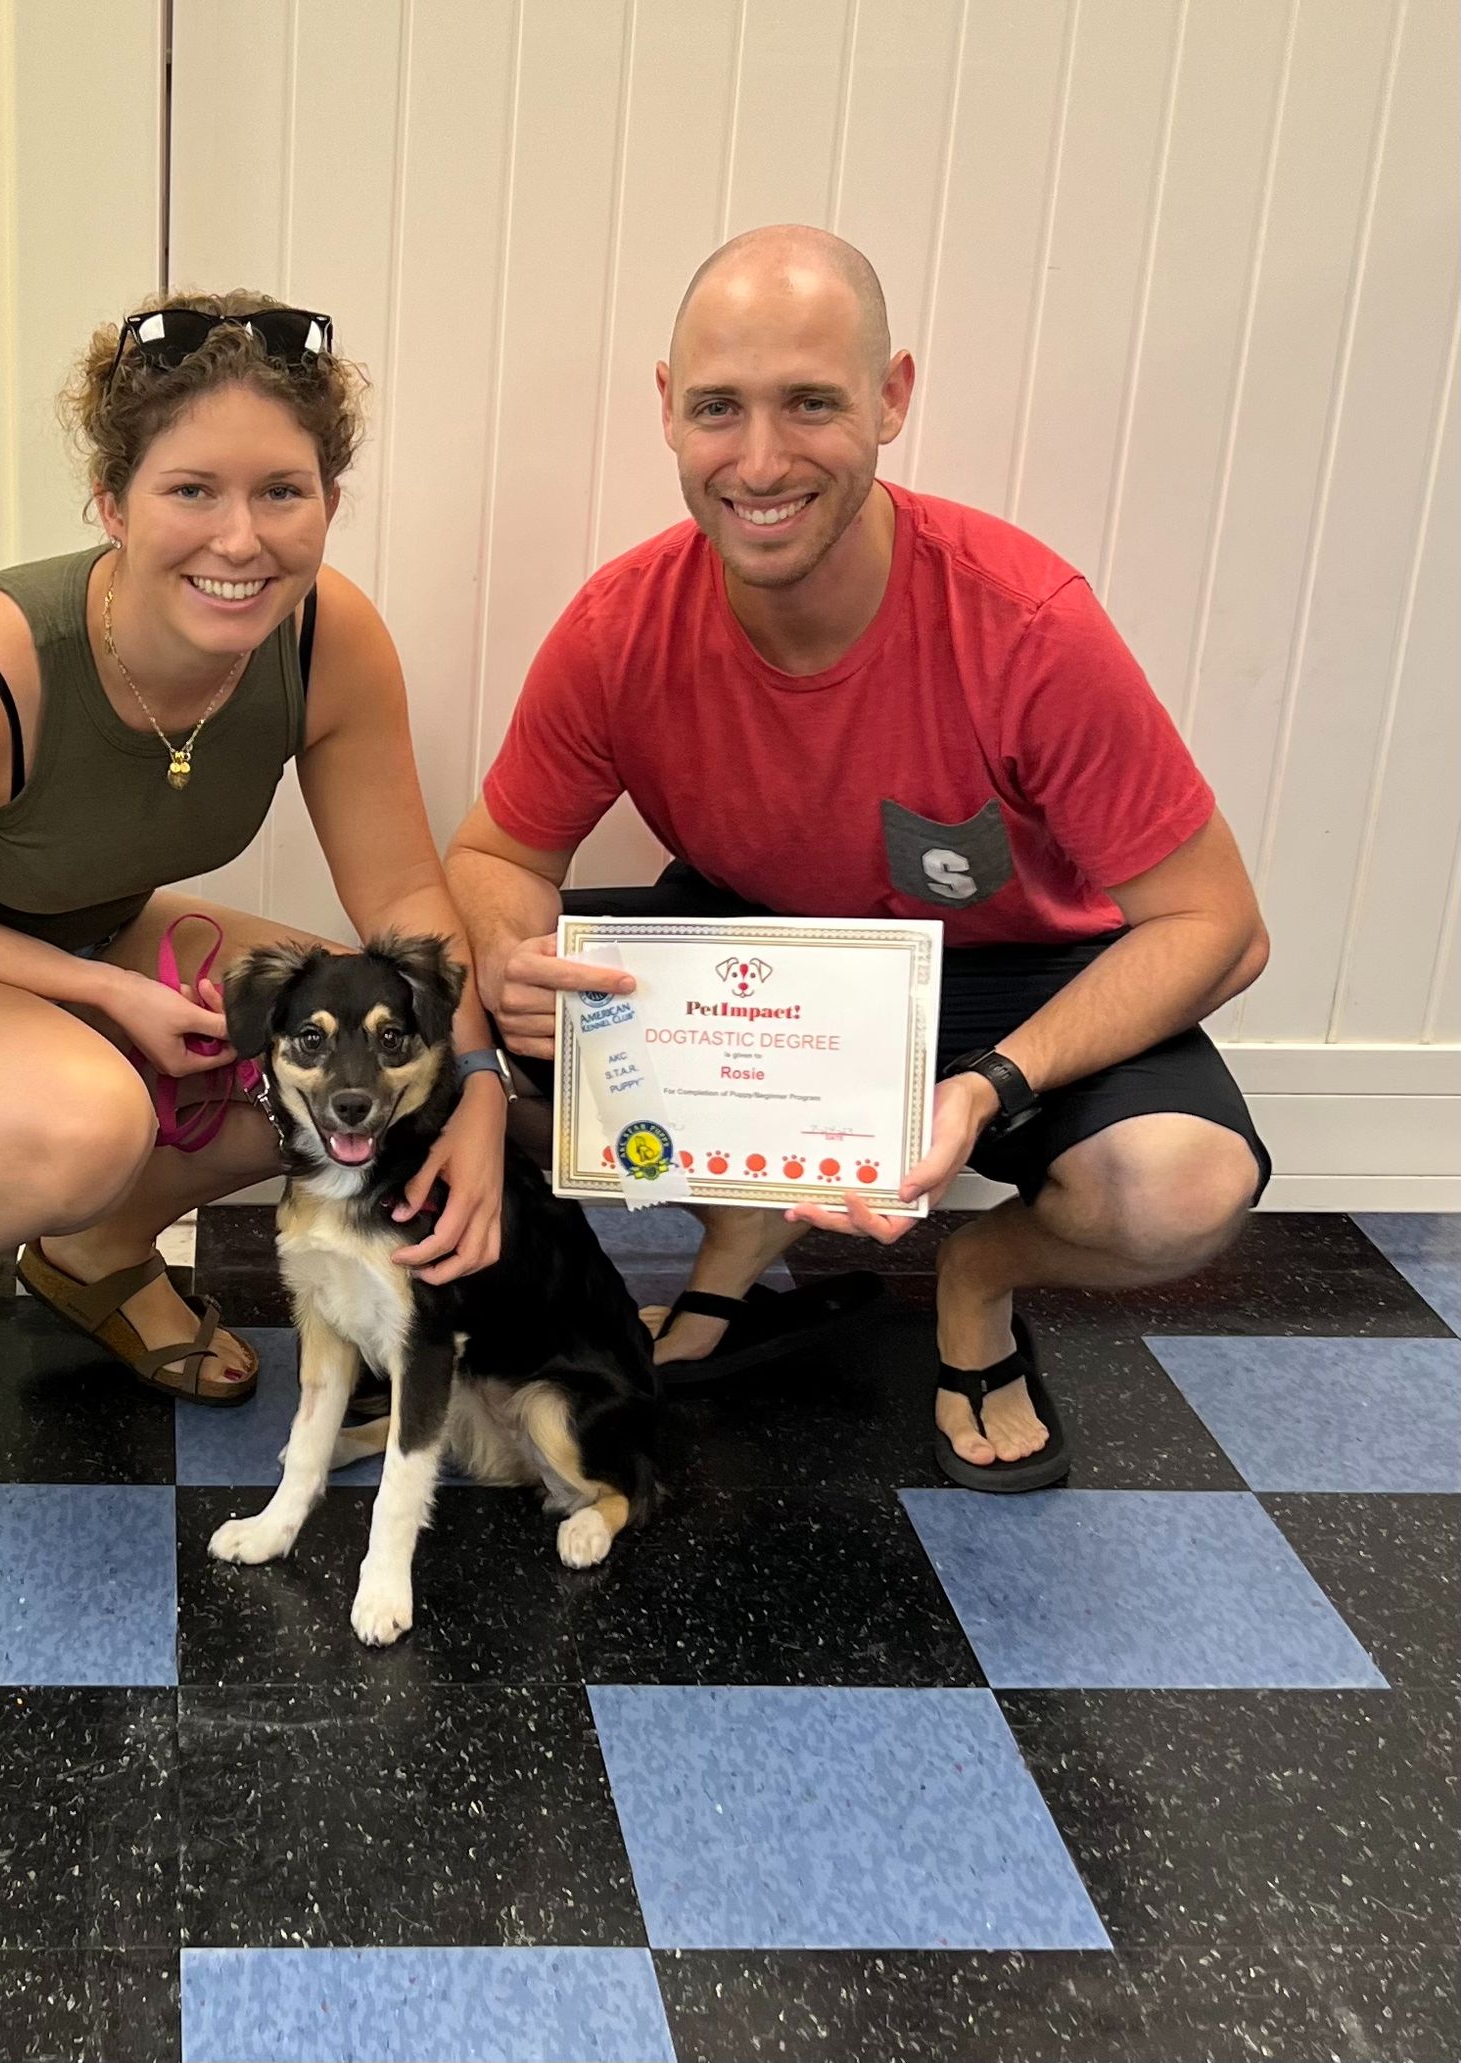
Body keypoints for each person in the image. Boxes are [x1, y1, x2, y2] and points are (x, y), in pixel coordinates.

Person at [445, 226, 1271, 1491]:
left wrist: (989, 1085)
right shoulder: (620, 626)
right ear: (669, 412)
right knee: (427, 1037)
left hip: (1018, 977)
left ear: (891, 399)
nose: (760, 459)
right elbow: (500, 848)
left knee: (1181, 1187)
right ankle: (745, 1224)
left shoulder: (1025, 627)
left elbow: (1220, 924)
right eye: (720, 408)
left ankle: (978, 1272)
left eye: (812, 403)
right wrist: (508, 960)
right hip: (766, 956)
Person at [0, 291, 506, 1494]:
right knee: (91, 1118)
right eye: (191, 490)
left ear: (328, 505)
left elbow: (402, 889)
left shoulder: (325, 639)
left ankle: (96, 1247)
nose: (240, 539)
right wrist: (95, 990)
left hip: (76, 931)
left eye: (280, 492)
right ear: (113, 502)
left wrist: (477, 1087)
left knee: (343, 1031)